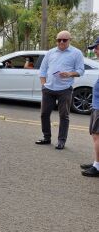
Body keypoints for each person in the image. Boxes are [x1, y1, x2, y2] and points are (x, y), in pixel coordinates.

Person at [35, 31, 84, 150]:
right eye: (59, 40)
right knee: (44, 114)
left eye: (64, 40)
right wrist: (43, 86)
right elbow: (42, 70)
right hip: (48, 89)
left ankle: (61, 141)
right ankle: (46, 138)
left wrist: (70, 74)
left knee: (64, 116)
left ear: (69, 40)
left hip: (65, 89)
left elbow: (81, 70)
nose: (61, 42)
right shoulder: (50, 53)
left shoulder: (76, 53)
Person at [80, 37, 99, 177]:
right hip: (96, 105)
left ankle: (97, 167)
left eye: (97, 48)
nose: (95, 51)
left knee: (97, 137)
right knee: (95, 135)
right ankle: (96, 162)